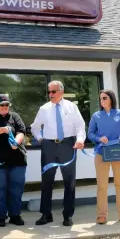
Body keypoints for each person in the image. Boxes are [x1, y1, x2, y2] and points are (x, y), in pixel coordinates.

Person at [30, 81, 86, 227]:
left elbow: (80, 126)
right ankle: (46, 214)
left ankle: (68, 215)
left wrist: (80, 140)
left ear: (61, 92)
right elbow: (34, 127)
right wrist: (41, 140)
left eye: (53, 92)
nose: (50, 95)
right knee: (47, 181)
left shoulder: (71, 107)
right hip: (49, 146)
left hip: (68, 144)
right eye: (49, 92)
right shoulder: (44, 109)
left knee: (69, 182)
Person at [87, 89, 120, 225]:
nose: (102, 101)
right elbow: (90, 133)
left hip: (119, 152)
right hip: (101, 154)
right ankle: (101, 215)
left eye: (104, 98)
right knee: (102, 186)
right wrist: (98, 138)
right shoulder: (96, 116)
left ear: (111, 99)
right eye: (100, 99)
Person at [0, 94, 28, 227]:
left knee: (16, 189)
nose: (4, 107)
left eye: (7, 105)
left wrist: (16, 142)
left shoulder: (15, 117)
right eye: (2, 105)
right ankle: (0, 217)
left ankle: (15, 215)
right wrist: (3, 129)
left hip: (17, 160)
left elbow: (21, 131)